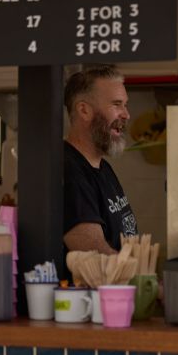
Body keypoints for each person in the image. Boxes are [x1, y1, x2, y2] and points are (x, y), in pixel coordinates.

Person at [62, 66, 137, 255]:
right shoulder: (67, 170)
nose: (126, 114)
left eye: (125, 104)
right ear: (84, 110)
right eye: (116, 104)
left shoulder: (102, 167)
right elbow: (93, 254)